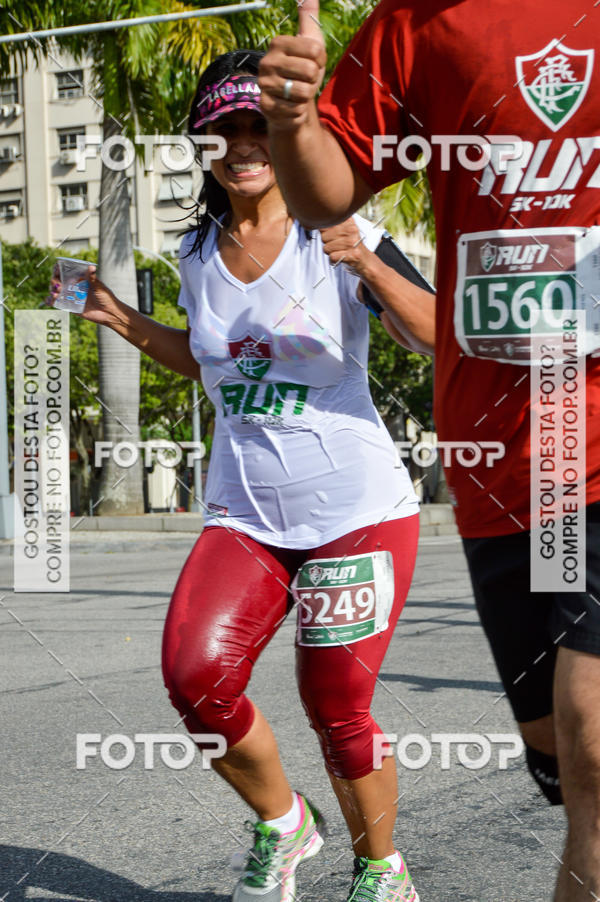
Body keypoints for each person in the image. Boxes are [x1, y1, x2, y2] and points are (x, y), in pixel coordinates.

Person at [49, 49, 435, 902]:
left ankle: (383, 871)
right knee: (196, 677)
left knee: (336, 703)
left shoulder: (338, 231)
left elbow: (439, 338)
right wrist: (118, 316)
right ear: (203, 144)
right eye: (224, 130)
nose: (244, 144)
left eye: (261, 126)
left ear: (289, 135)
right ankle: (284, 822)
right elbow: (214, 363)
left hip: (356, 510)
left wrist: (368, 265)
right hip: (245, 512)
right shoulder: (196, 249)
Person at [258, 2, 600, 900]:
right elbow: (325, 193)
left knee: (597, 753)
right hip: (503, 456)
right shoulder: (417, 22)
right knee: (563, 762)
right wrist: (293, 120)